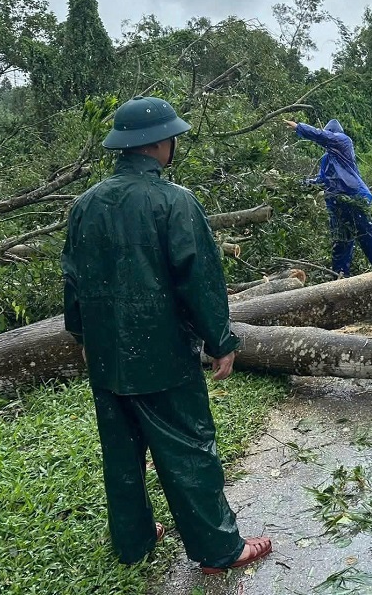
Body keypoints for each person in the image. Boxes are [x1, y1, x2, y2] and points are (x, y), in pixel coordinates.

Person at [62, 96, 271, 575]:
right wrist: (220, 341)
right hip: (162, 354)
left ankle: (133, 540)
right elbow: (199, 280)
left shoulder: (84, 204)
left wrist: (82, 335)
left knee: (120, 448)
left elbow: (72, 278)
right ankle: (220, 550)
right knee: (190, 446)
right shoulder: (175, 202)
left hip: (106, 354)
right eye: (172, 138)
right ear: (159, 144)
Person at [285, 118, 372, 276]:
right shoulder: (327, 158)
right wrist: (298, 184)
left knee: (367, 235)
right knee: (341, 240)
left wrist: (299, 127)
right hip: (336, 202)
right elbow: (322, 180)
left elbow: (323, 136)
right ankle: (340, 276)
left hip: (354, 197)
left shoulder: (344, 141)